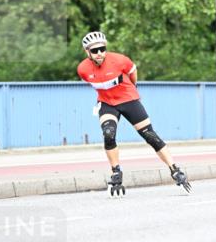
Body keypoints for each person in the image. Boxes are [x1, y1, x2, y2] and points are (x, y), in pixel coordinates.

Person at [77, 31, 191, 196]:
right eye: (95, 50)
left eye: (102, 49)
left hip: (128, 99)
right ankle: (116, 172)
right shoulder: (82, 69)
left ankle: (175, 169)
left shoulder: (120, 60)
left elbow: (133, 73)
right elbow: (93, 83)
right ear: (87, 52)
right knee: (108, 134)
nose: (100, 53)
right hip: (107, 103)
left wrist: (132, 89)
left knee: (150, 135)